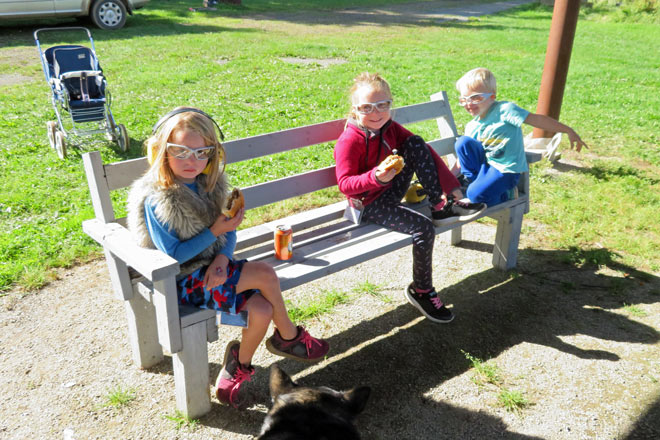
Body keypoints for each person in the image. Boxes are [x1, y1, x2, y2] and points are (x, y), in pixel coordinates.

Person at [127, 107, 329, 409]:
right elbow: (173, 255)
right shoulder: (159, 198)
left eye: (201, 152)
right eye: (180, 151)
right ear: (162, 151)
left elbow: (229, 230)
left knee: (262, 309)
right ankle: (289, 336)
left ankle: (237, 366)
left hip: (214, 270)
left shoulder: (209, 185)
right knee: (264, 274)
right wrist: (215, 232)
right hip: (180, 281)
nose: (191, 161)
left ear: (213, 154)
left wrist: (223, 257)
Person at [333, 72, 486, 324]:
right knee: (423, 228)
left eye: (383, 105)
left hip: (390, 189)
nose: (376, 113)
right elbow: (346, 185)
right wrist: (375, 177)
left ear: (390, 104)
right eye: (367, 107)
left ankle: (439, 206)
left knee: (415, 142)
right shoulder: (349, 141)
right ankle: (422, 291)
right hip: (368, 204)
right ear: (355, 109)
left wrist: (452, 189)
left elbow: (425, 152)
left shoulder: (390, 128)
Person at [454, 67, 588, 207]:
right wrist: (450, 180)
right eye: (464, 100)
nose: (469, 104)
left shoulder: (505, 110)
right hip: (485, 168)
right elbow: (462, 159)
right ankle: (476, 187)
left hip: (505, 171)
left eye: (476, 98)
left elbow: (537, 120)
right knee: (463, 142)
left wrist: (567, 130)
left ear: (492, 96)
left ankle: (504, 195)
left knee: (474, 195)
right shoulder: (472, 126)